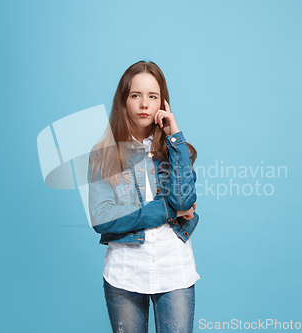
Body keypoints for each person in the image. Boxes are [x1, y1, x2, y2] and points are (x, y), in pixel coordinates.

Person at [87, 60, 199, 333]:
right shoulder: (104, 154)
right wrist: (168, 212)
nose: (144, 104)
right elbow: (103, 219)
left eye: (153, 96)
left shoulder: (176, 150)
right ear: (123, 100)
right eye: (136, 95)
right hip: (125, 272)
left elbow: (185, 202)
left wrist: (175, 138)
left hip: (174, 270)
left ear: (163, 103)